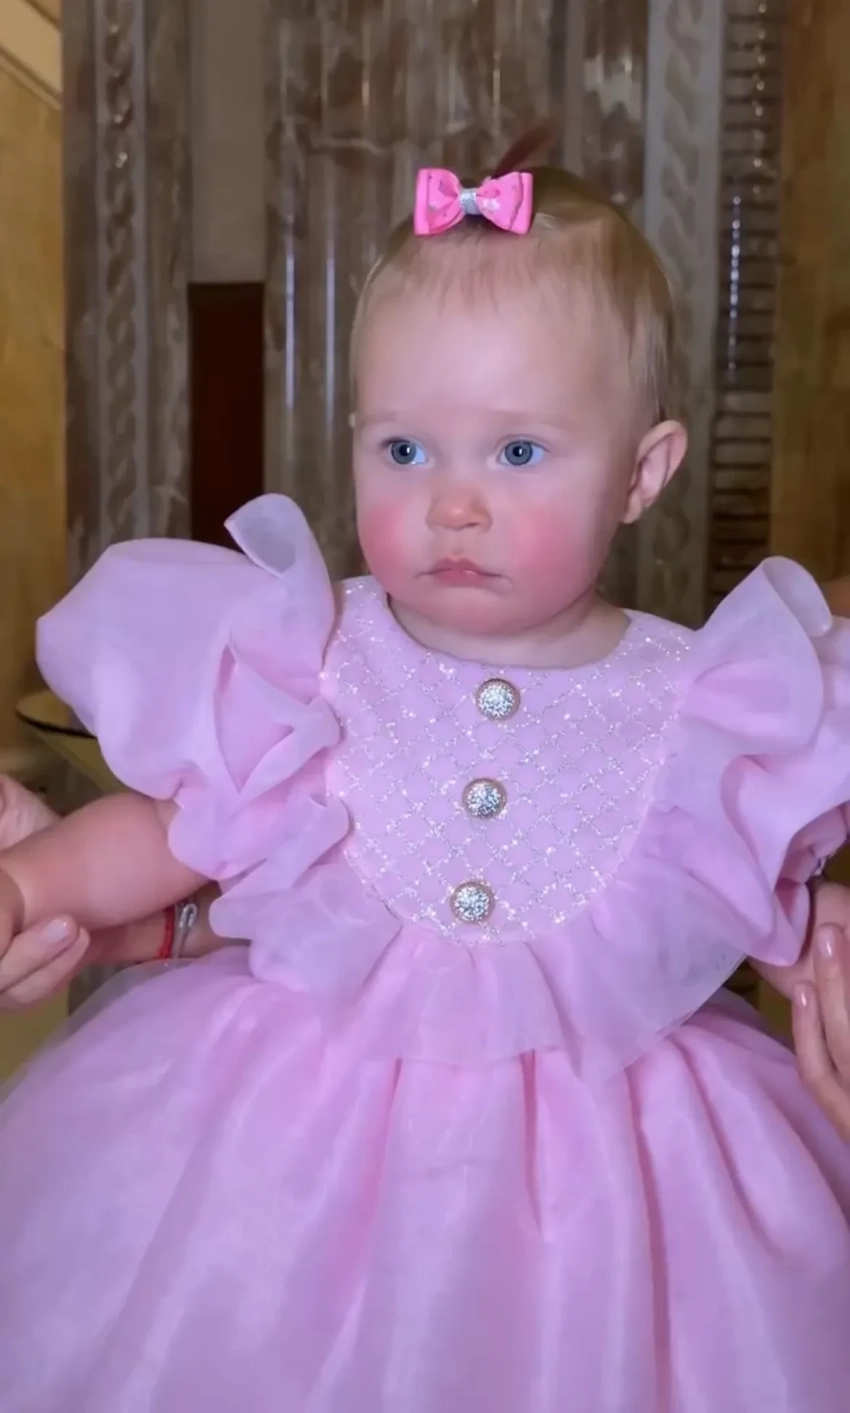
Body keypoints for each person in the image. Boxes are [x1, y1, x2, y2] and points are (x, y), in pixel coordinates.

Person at [0, 151, 849, 1412]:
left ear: (641, 472)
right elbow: (180, 830)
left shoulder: (703, 705)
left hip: (612, 1176)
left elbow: (770, 902)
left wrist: (826, 944)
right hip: (286, 1146)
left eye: (517, 451)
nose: (452, 503)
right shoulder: (310, 654)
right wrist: (34, 884)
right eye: (402, 447)